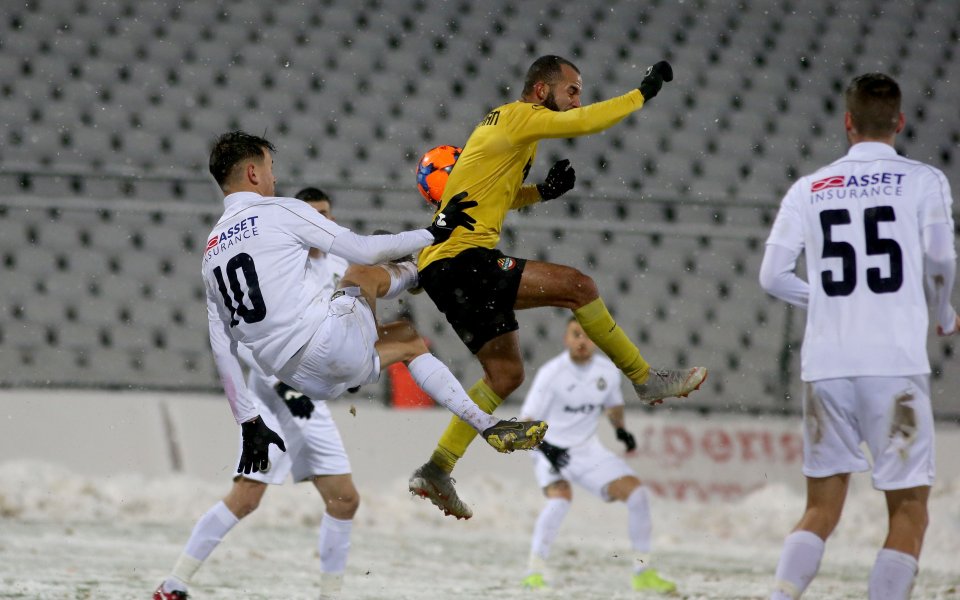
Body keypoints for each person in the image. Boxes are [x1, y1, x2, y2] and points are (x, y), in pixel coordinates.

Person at [155, 131, 548, 599]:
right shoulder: (279, 211)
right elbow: (361, 253)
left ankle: (175, 583)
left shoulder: (212, 252)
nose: (275, 178)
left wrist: (248, 422)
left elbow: (222, 344)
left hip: (300, 375)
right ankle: (434, 268)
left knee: (405, 340)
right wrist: (434, 232)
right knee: (364, 272)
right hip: (321, 357)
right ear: (254, 172)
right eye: (270, 168)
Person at [408, 55, 707, 519]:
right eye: (572, 90)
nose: (578, 100)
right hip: (463, 260)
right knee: (578, 286)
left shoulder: (504, 132)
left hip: (441, 269)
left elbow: (495, 196)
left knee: (506, 375)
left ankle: (437, 467)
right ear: (543, 91)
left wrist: (542, 192)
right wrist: (641, 94)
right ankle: (645, 379)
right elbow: (587, 123)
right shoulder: (518, 116)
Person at [759, 73, 959, 600]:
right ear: (900, 122)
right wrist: (942, 313)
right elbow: (940, 257)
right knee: (911, 510)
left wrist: (826, 298)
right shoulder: (924, 180)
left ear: (848, 123)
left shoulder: (810, 187)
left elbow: (772, 276)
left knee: (821, 510)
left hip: (826, 366)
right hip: (892, 365)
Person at [153, 187, 353, 600]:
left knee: (304, 499)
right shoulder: (278, 263)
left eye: (327, 214)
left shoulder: (341, 264)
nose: (323, 221)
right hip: (282, 395)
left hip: (300, 396)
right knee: (308, 498)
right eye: (314, 213)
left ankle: (174, 584)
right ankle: (175, 585)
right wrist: (283, 383)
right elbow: (248, 333)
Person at [519, 318, 677, 594]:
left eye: (587, 335)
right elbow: (526, 421)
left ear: (595, 340)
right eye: (576, 334)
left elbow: (613, 405)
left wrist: (621, 431)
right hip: (549, 447)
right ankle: (534, 572)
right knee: (559, 502)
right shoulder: (551, 373)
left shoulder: (607, 372)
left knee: (637, 495)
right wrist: (547, 449)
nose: (582, 341)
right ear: (566, 339)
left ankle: (643, 571)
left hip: (587, 450)